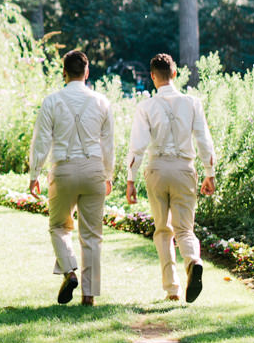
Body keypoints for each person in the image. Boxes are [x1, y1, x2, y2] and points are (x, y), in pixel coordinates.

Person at [125, 53, 217, 303]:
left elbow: (138, 145)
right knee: (185, 228)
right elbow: (203, 140)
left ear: (153, 77)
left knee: (163, 230)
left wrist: (130, 179)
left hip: (156, 170)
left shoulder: (146, 106)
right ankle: (193, 260)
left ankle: (172, 289)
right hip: (184, 169)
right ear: (174, 73)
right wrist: (210, 173)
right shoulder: (192, 103)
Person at [28, 49, 114, 306]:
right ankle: (89, 296)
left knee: (58, 227)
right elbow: (108, 144)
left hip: (64, 170)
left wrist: (34, 174)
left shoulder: (52, 101)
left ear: (64, 72)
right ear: (87, 72)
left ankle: (69, 271)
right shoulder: (101, 102)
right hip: (93, 170)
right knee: (92, 235)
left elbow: (41, 141)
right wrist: (108, 174)